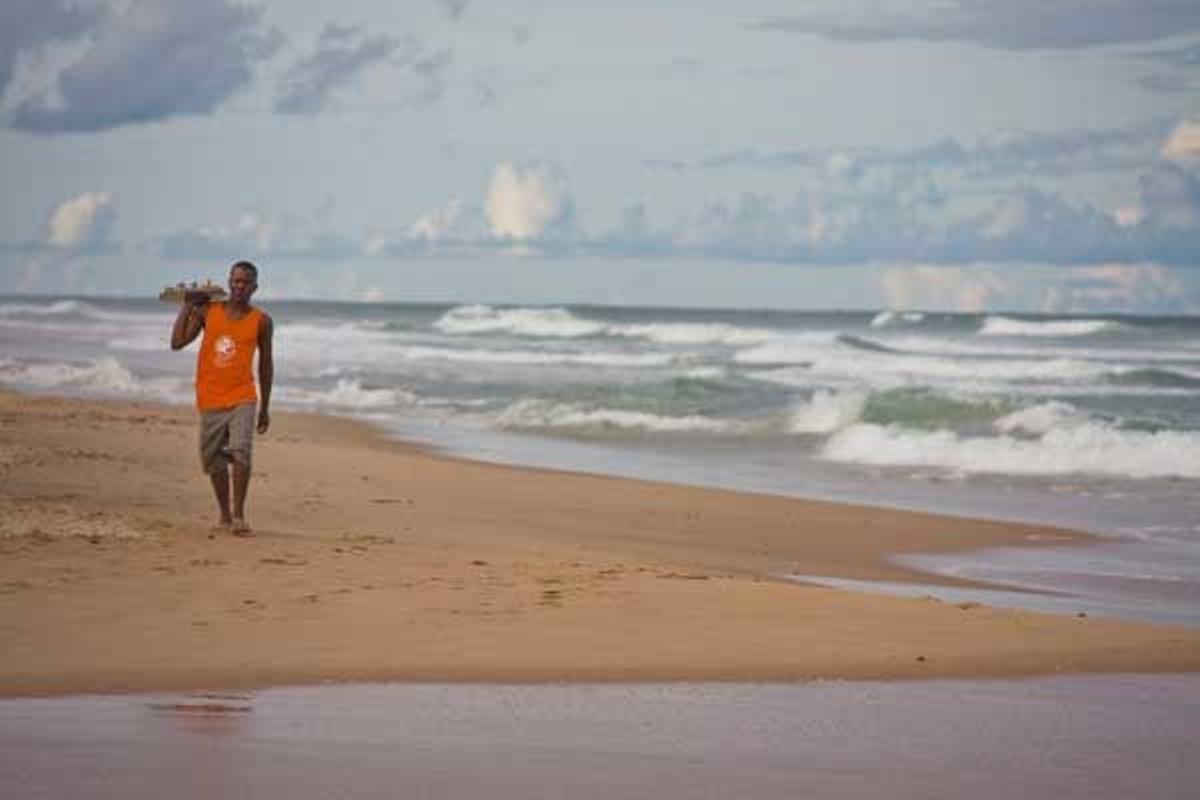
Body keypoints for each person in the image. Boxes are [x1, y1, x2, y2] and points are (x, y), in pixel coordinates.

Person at [170, 260, 274, 536]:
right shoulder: (209, 312)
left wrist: (265, 407)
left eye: (245, 282)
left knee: (241, 452)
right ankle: (225, 515)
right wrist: (187, 304)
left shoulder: (262, 321)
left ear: (255, 287)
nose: (240, 286)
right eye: (236, 281)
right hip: (210, 396)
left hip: (243, 396)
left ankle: (239, 515)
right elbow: (177, 343)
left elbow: (266, 364)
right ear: (229, 283)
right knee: (213, 460)